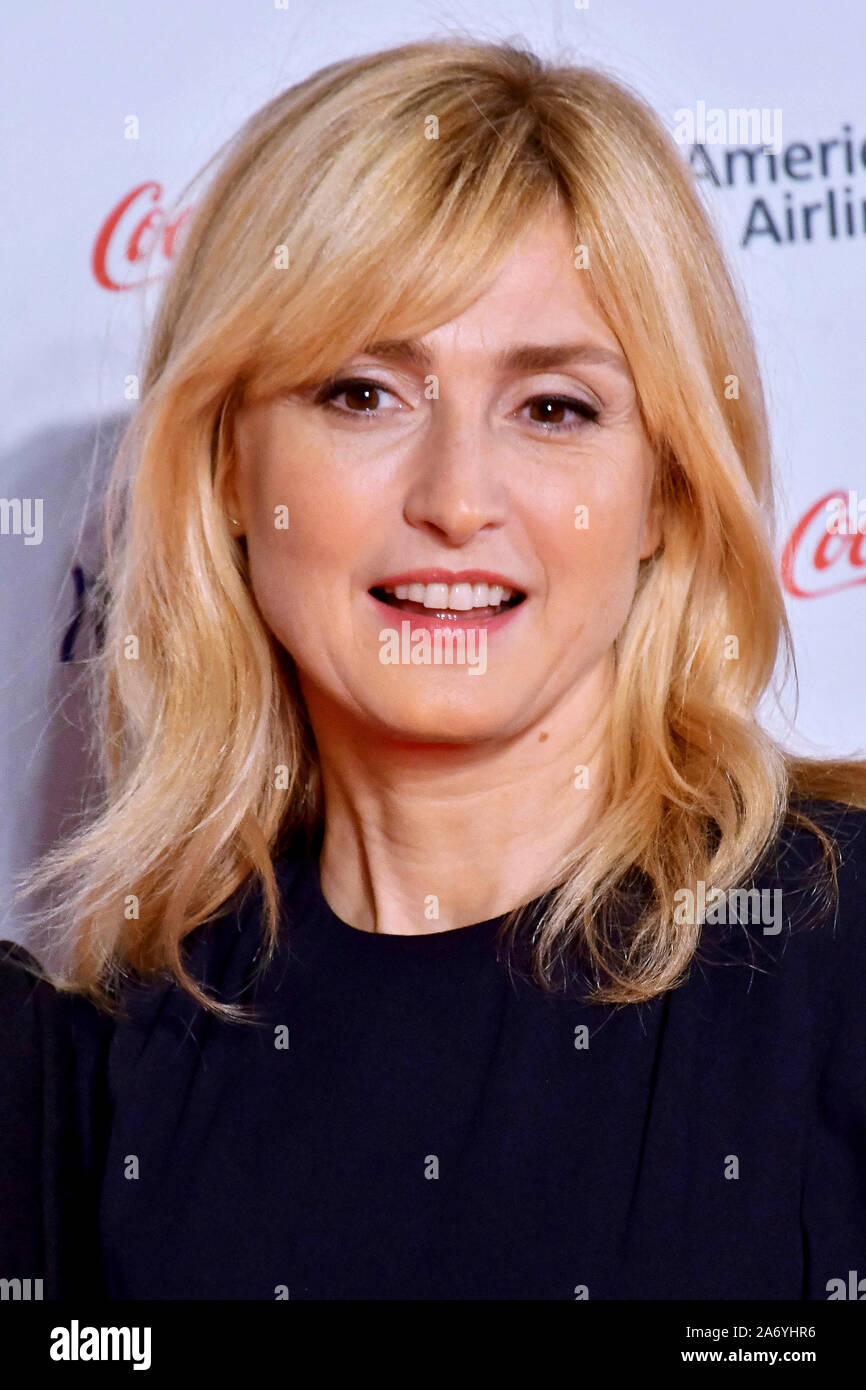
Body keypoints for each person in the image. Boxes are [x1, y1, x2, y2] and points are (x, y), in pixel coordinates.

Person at [2, 36, 865, 1302]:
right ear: (228, 469)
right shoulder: (85, 1078)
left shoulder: (837, 976)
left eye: (554, 408)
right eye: (361, 394)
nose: (457, 498)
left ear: (664, 495)